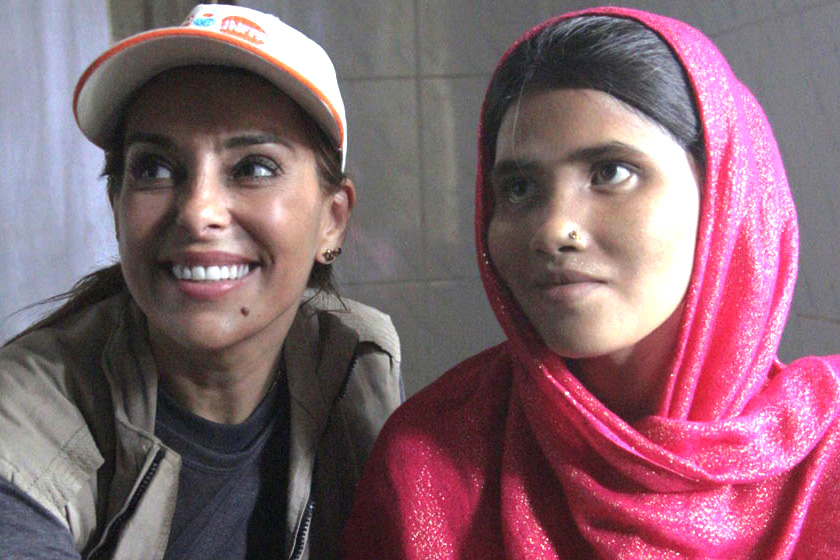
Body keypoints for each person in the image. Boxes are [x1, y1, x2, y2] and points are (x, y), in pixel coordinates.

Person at [341, 6, 840, 559]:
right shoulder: (431, 464)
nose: (552, 231)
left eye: (611, 173)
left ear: (726, 197)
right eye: (520, 189)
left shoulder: (826, 460)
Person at [0, 4, 402, 559]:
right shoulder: (27, 413)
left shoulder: (354, 361)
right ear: (117, 207)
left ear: (332, 219)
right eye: (154, 169)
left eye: (253, 167)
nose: (198, 212)